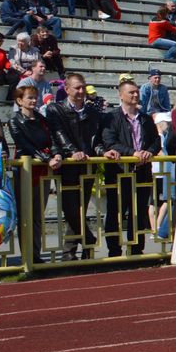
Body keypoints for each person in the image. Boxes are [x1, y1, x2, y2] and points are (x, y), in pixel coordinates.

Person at [46, 73, 105, 260]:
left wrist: (102, 152)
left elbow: (96, 138)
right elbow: (58, 133)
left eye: (83, 87)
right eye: (77, 88)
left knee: (80, 207)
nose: (81, 91)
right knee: (70, 208)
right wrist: (72, 152)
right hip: (68, 166)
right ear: (67, 89)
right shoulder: (55, 109)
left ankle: (69, 253)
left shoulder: (93, 112)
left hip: (88, 165)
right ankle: (88, 239)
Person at [101, 80, 160, 257]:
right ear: (121, 95)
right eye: (131, 92)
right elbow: (109, 142)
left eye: (136, 92)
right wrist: (132, 153)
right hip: (119, 172)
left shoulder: (145, 118)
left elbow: (156, 141)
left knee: (139, 210)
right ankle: (114, 251)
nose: (135, 95)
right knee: (115, 211)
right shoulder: (111, 118)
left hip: (142, 171)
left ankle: (136, 249)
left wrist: (148, 152)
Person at [9, 85, 65, 263]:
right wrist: (46, 158)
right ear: (19, 101)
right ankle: (27, 256)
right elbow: (25, 145)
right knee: (26, 214)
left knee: (38, 214)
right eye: (29, 98)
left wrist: (56, 154)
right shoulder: (15, 121)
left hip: (43, 171)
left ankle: (36, 254)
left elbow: (53, 139)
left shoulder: (42, 119)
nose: (33, 101)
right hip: (26, 171)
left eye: (35, 97)